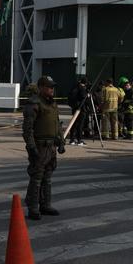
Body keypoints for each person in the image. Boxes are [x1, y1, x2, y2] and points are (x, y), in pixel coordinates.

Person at [22, 75, 66, 221]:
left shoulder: (52, 104)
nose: (52, 89)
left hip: (51, 146)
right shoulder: (34, 103)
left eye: (53, 87)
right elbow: (28, 130)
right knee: (37, 178)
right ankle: (33, 207)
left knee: (47, 178)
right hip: (40, 146)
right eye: (49, 87)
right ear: (41, 88)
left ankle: (45, 204)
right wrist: (32, 147)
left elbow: (57, 124)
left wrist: (61, 140)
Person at [67, 77, 90, 146]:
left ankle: (72, 139)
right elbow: (84, 97)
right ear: (85, 83)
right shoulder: (82, 89)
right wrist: (88, 95)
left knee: (74, 123)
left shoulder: (75, 87)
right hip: (81, 109)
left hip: (75, 108)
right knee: (80, 125)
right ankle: (79, 140)